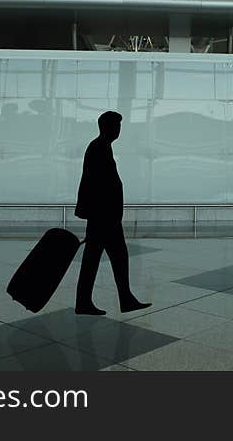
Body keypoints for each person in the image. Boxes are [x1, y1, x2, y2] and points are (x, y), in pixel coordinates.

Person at [74, 111, 151, 316]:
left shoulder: (101, 147)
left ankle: (95, 301)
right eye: (116, 126)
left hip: (104, 216)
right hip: (104, 217)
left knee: (99, 258)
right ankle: (119, 300)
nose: (118, 130)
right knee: (112, 257)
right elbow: (97, 185)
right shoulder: (98, 148)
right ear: (106, 127)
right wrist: (106, 213)